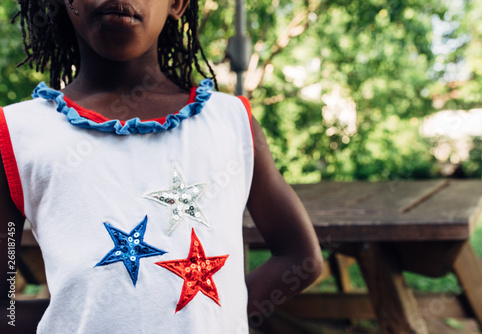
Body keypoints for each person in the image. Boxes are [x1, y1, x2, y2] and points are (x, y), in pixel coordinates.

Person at [0, 0, 323, 332]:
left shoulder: (232, 123)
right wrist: (74, 318)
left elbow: (301, 258)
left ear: (178, 3)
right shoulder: (19, 133)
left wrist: (222, 314)